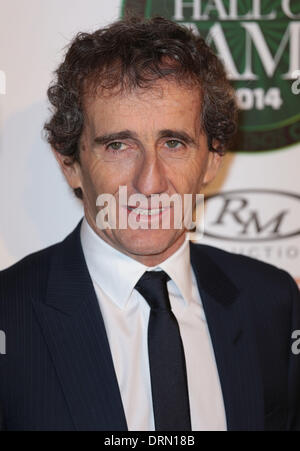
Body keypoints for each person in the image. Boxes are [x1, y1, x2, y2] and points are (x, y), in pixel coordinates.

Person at [0, 16, 299, 432]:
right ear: (70, 163)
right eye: (119, 145)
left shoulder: (273, 302)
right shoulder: (8, 312)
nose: (149, 182)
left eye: (173, 143)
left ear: (212, 159)